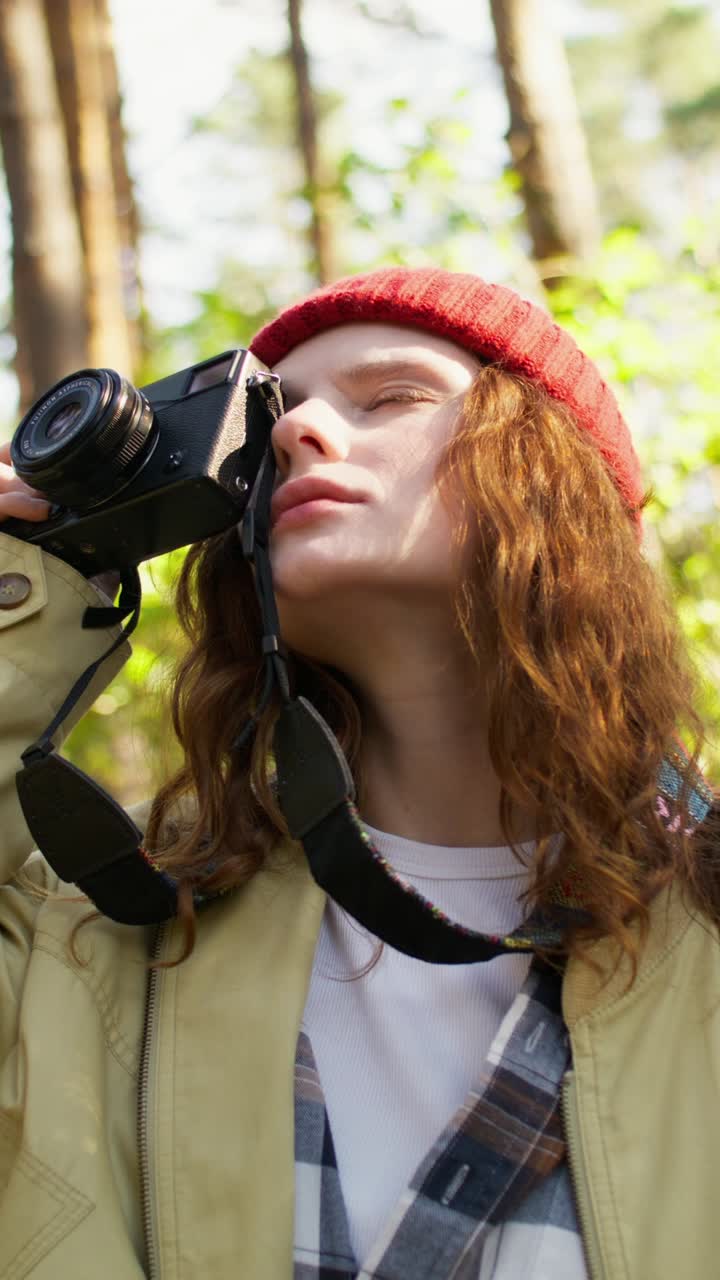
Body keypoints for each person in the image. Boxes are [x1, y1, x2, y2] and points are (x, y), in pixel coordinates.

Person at [0, 265, 718, 1280]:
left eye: (391, 397)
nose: (298, 434)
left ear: (561, 482)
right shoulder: (106, 936)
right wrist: (20, 602)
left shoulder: (708, 919)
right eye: (271, 423)